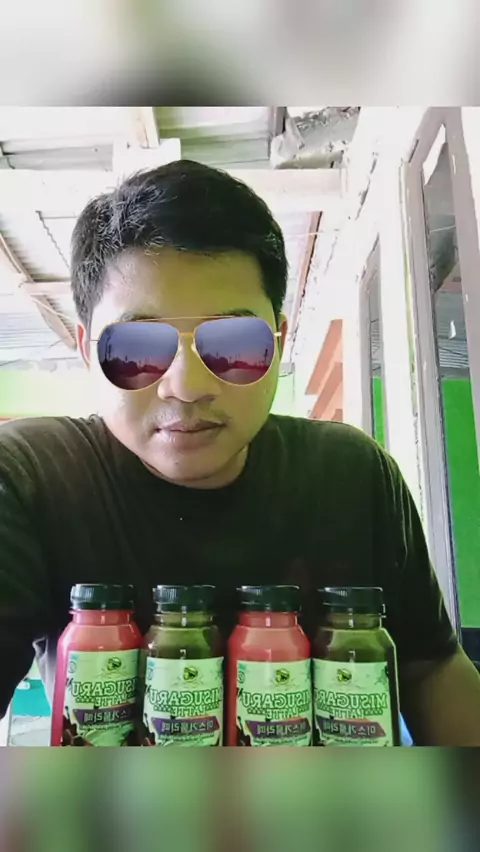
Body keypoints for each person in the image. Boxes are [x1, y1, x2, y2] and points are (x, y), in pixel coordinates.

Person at [1, 159, 479, 746]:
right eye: (136, 350)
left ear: (278, 342)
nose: (185, 386)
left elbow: (433, 667)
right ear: (86, 350)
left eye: (234, 344)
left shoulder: (352, 475)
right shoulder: (29, 478)